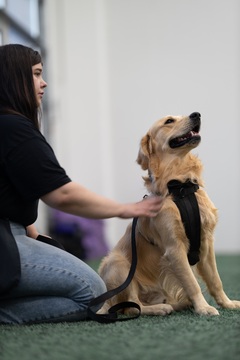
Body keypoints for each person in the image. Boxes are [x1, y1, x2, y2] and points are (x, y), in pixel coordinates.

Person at [0, 44, 162, 324]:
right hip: (5, 244)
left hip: (12, 235)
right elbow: (62, 194)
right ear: (15, 79)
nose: (44, 82)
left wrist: (34, 234)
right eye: (37, 74)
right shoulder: (13, 128)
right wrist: (124, 208)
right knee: (92, 293)